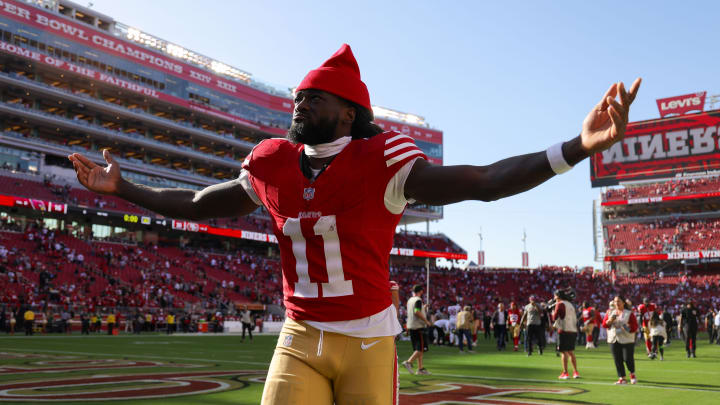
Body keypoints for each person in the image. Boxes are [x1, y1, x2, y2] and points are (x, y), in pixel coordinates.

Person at [67, 43, 640, 404]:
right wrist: (123, 189)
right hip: (299, 337)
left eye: (312, 98)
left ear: (348, 111)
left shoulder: (383, 161)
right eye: (297, 96)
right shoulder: (270, 163)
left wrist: (578, 146)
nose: (298, 104)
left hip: (367, 342)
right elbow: (198, 204)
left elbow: (486, 181)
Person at [602, 295, 638, 384]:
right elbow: (604, 325)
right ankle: (622, 378)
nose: (617, 303)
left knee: (627, 358)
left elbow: (635, 326)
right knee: (617, 359)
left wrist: (627, 327)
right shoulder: (610, 312)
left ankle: (632, 374)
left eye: (618, 301)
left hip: (627, 339)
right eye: (615, 301)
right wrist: (609, 321)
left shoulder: (628, 313)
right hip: (613, 338)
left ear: (623, 303)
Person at [402, 285, 432, 375]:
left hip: (411, 326)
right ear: (421, 291)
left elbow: (416, 309)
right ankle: (409, 362)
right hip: (418, 327)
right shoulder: (418, 300)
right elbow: (416, 311)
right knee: (420, 348)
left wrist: (423, 307)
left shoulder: (410, 300)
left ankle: (420, 368)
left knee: (419, 349)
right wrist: (426, 321)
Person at [552, 290, 580, 379]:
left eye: (555, 296)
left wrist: (552, 311)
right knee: (571, 352)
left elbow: (554, 317)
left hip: (564, 330)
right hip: (572, 330)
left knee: (564, 352)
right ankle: (575, 372)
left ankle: (565, 372)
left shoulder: (560, 304)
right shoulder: (570, 304)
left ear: (558, 296)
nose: (554, 298)